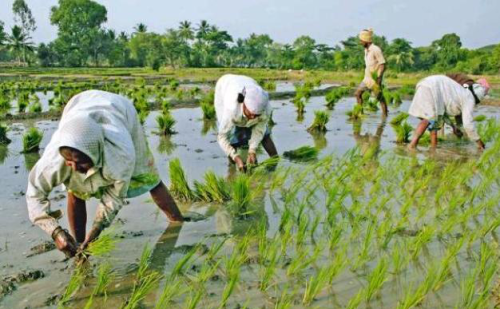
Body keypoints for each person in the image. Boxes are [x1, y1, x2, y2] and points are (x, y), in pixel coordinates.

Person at [26, 90, 184, 258]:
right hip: (77, 109)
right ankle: (79, 247)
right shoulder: (54, 160)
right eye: (69, 161)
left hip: (119, 111)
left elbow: (114, 197)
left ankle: (178, 222)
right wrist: (55, 231)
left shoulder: (120, 154)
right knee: (76, 189)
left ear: (96, 152)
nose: (74, 167)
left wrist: (97, 228)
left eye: (81, 162)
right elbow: (34, 194)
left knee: (148, 176)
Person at [408, 74, 490, 150]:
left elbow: (442, 114)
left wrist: (453, 127)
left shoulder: (461, 92)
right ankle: (412, 145)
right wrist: (480, 143)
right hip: (432, 87)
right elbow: (468, 125)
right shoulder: (469, 99)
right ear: (477, 98)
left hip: (424, 83)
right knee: (427, 119)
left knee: (434, 120)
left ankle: (433, 148)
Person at [215, 74, 278, 171]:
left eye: (256, 115)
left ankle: (274, 164)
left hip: (248, 82)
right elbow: (222, 136)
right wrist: (236, 157)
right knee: (232, 137)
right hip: (225, 86)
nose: (252, 117)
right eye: (251, 113)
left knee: (265, 134)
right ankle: (233, 164)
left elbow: (259, 130)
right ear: (244, 104)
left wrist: (252, 151)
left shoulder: (265, 109)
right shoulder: (231, 109)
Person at [355, 28, 388, 117]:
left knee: (380, 98)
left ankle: (385, 115)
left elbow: (382, 64)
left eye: (361, 41)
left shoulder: (375, 49)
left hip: (374, 79)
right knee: (357, 94)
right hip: (367, 79)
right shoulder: (366, 50)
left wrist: (379, 78)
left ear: (366, 40)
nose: (360, 42)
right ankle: (360, 112)